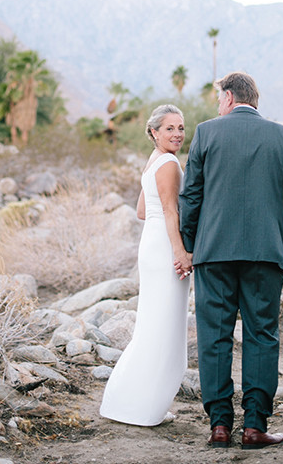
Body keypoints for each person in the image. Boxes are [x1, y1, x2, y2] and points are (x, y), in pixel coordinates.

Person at [177, 72, 283, 450]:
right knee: (261, 335)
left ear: (230, 97)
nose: (218, 105)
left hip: (213, 253)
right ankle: (254, 426)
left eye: (220, 98)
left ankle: (219, 426)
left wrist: (189, 246)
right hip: (265, 254)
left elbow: (191, 198)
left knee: (214, 338)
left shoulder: (206, 132)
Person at [100, 104, 192, 425]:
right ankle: (142, 407)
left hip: (150, 245)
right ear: (153, 132)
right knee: (163, 329)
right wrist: (180, 252)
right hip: (166, 248)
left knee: (153, 326)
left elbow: (143, 211)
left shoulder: (153, 161)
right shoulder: (168, 164)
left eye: (181, 128)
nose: (177, 134)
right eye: (170, 128)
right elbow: (170, 212)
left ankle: (131, 402)